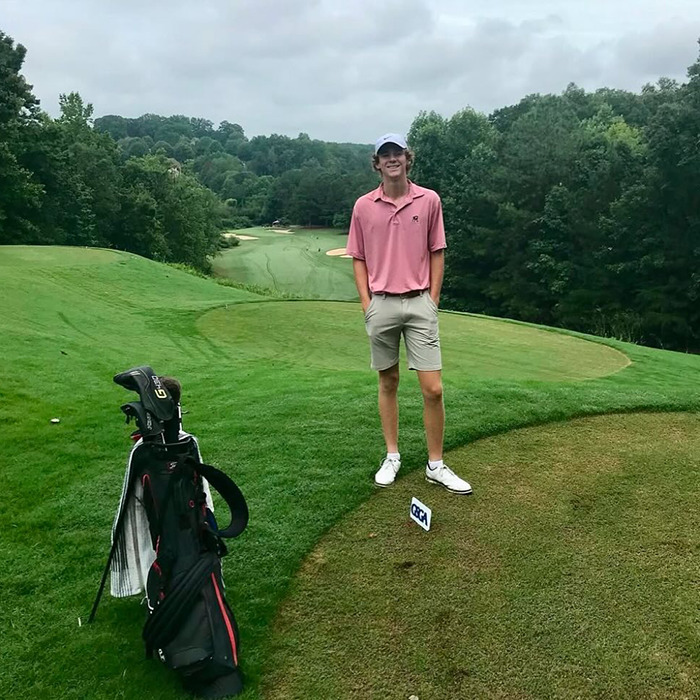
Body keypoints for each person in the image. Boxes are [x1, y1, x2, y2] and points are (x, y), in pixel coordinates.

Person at [346, 133, 472, 495]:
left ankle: (436, 464)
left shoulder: (429, 200)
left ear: (407, 158)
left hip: (419, 303)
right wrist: (366, 304)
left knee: (433, 389)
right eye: (385, 155)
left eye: (397, 153)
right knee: (388, 382)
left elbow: (437, 251)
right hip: (381, 303)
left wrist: (432, 300)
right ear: (377, 163)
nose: (392, 160)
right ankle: (392, 456)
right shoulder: (363, 206)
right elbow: (358, 257)